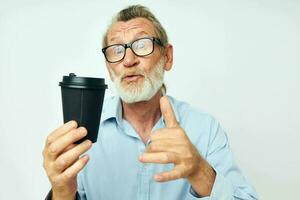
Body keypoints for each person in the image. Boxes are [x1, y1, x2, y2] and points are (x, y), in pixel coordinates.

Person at [43, 5, 258, 200]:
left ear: (168, 57)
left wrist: (199, 171)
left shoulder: (206, 129)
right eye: (117, 50)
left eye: (142, 45)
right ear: (109, 68)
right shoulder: (83, 134)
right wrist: (61, 193)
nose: (128, 60)